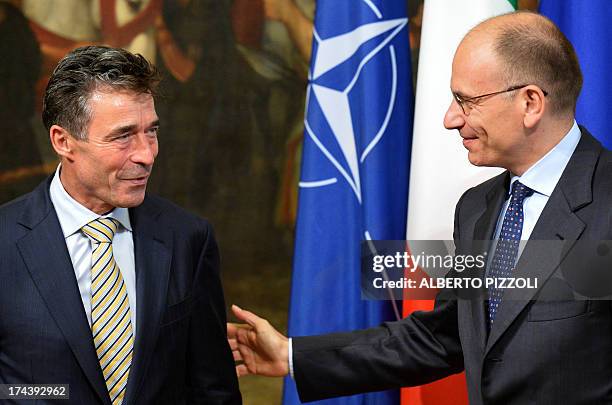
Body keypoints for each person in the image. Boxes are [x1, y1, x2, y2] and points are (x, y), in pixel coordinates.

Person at [227, 11, 612, 404]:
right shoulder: (477, 209)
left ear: (531, 102)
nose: (449, 119)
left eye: (467, 101)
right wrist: (292, 355)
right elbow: (441, 337)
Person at [0, 46, 241, 404]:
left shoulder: (188, 238)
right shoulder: (5, 242)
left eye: (151, 131)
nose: (146, 154)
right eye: (123, 136)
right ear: (63, 141)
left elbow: (212, 390)